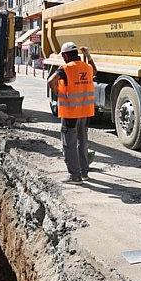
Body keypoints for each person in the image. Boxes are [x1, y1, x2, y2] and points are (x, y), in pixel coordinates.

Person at [47, 42, 98, 184]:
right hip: (85, 112)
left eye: (63, 55)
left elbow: (51, 81)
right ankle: (84, 172)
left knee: (69, 143)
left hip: (70, 112)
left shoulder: (65, 68)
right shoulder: (87, 67)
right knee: (83, 142)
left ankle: (75, 176)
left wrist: (57, 93)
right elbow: (95, 71)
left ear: (66, 55)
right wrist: (88, 56)